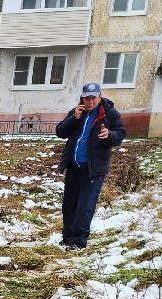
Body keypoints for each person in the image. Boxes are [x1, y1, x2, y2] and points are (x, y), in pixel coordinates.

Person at [54, 81, 126, 250]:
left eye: (93, 98)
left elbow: (120, 134)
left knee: (85, 206)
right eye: (87, 98)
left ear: (100, 97)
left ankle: (79, 241)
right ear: (82, 98)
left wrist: (109, 134)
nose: (90, 102)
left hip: (93, 170)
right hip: (73, 167)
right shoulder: (77, 112)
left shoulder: (110, 114)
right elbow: (60, 132)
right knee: (69, 204)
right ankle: (68, 238)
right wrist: (74, 119)